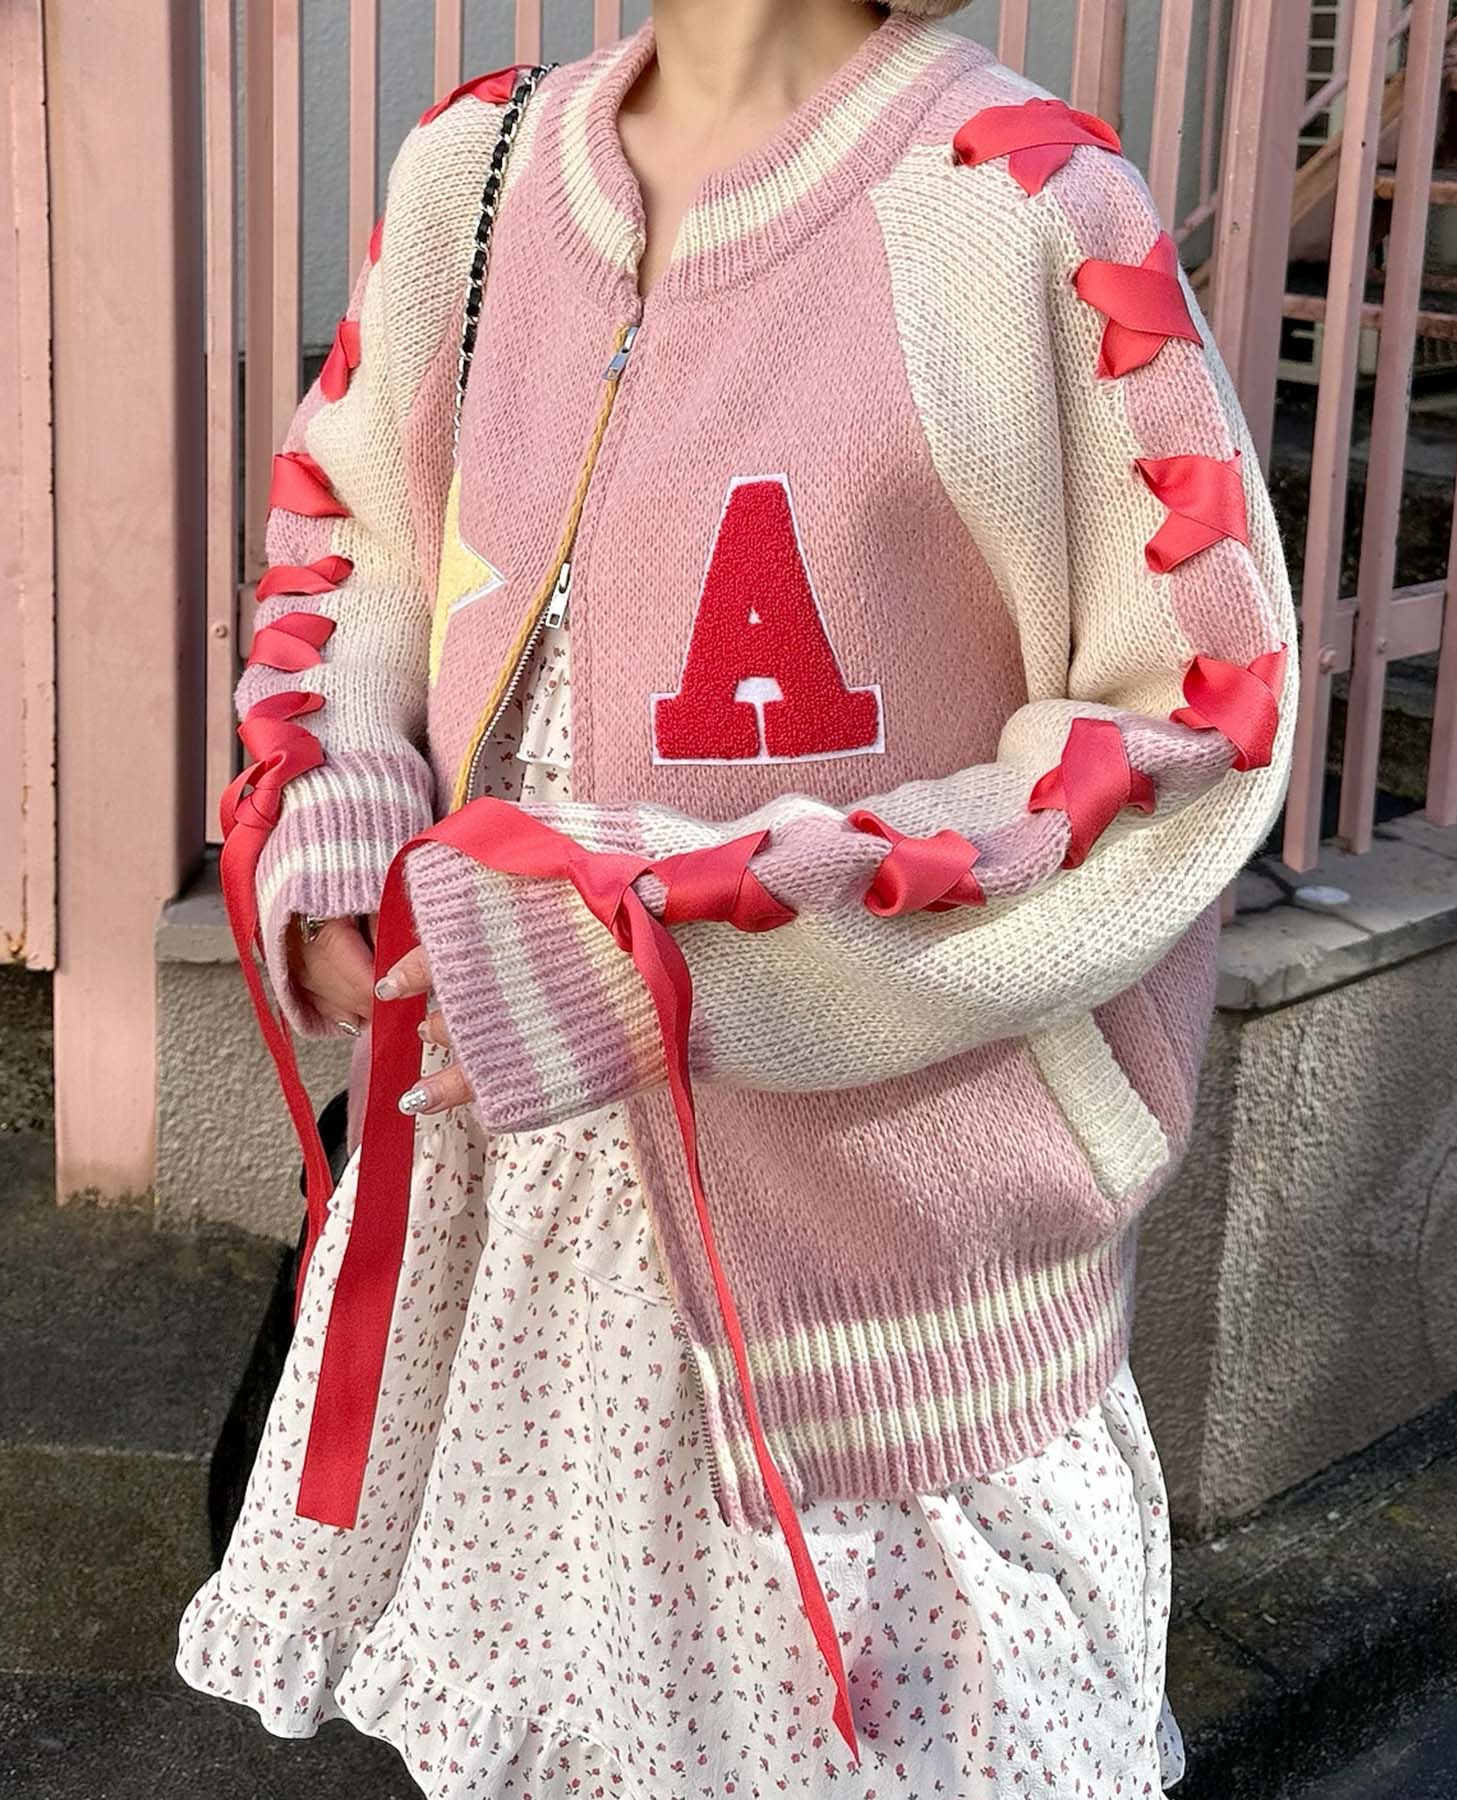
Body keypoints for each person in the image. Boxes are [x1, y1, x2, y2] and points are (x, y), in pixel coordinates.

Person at [178, 2, 1296, 1795]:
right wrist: (342, 816)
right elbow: (362, 537)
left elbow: (1201, 716)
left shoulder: (1019, 203)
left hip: (881, 1272)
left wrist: (669, 954)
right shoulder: (475, 170)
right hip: (506, 1218)